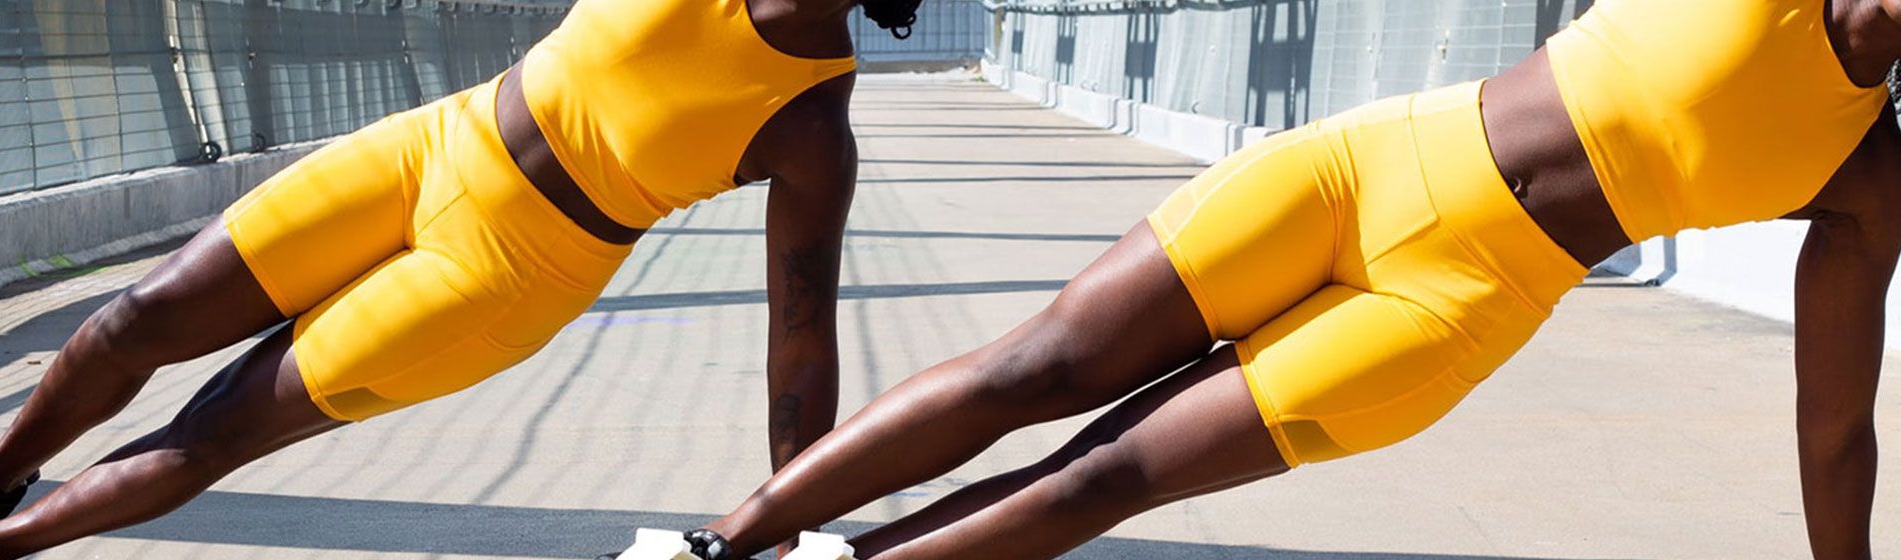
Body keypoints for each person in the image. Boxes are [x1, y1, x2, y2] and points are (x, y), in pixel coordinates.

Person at [641, 1, 1901, 558]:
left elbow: (1834, 420)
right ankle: (719, 542)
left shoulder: (1865, 166)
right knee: (1034, 367)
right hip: (1368, 162)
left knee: (1103, 473)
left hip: (1453, 304)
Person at [0, 0, 924, 555]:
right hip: (430, 146)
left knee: (214, 426)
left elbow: (799, 340)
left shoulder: (811, 123)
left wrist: (788, 520)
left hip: (502, 275)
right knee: (131, 322)